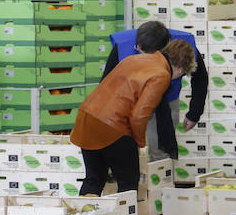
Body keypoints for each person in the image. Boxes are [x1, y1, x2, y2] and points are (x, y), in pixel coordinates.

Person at [71, 40, 197, 196]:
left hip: (87, 117)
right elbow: (139, 115)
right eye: (183, 73)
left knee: (94, 179)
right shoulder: (161, 74)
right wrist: (139, 142)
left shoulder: (133, 59)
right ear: (180, 67)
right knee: (128, 182)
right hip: (114, 125)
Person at [104, 21, 208, 160]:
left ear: (165, 50)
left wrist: (195, 112)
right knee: (127, 152)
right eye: (140, 50)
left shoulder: (184, 46)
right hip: (129, 103)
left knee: (161, 150)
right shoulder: (123, 45)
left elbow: (200, 78)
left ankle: (163, 179)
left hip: (167, 102)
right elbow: (106, 84)